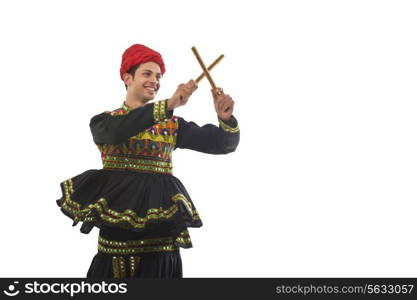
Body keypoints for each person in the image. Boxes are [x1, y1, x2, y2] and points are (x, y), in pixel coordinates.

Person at [56, 44, 240, 278]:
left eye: (158, 76)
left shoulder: (173, 125)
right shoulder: (105, 122)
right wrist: (169, 105)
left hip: (162, 248)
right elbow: (117, 131)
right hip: (116, 250)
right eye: (147, 73)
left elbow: (223, 144)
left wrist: (226, 118)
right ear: (127, 77)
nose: (155, 80)